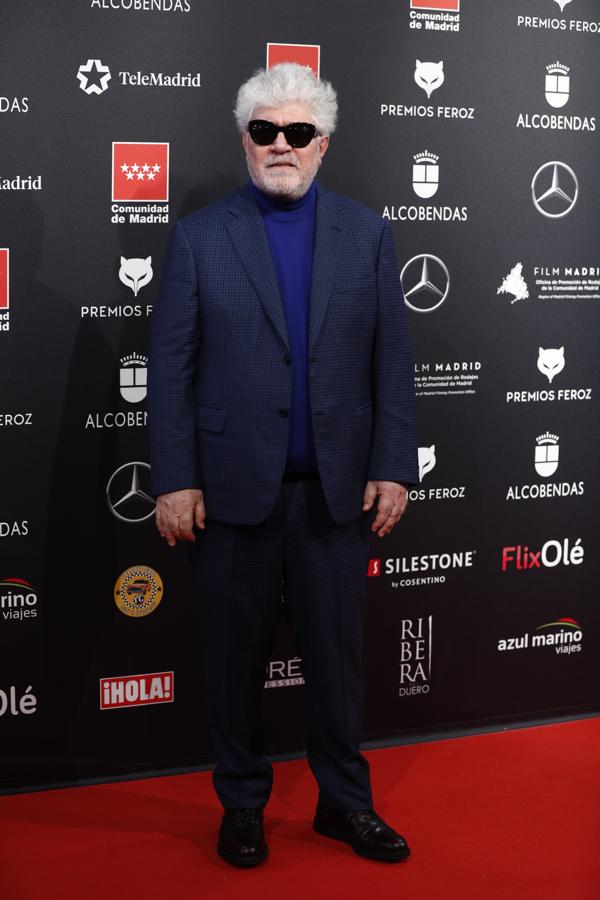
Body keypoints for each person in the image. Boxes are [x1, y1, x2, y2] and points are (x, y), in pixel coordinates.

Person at [147, 62, 418, 868]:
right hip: (231, 496)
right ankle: (241, 805)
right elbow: (170, 370)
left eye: (298, 132)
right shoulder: (199, 237)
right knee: (232, 667)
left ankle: (345, 803)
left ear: (323, 145)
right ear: (245, 140)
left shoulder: (366, 234)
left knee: (338, 668)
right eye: (265, 131)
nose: (281, 145)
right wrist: (173, 478)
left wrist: (394, 465)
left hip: (336, 496)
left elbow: (392, 364)